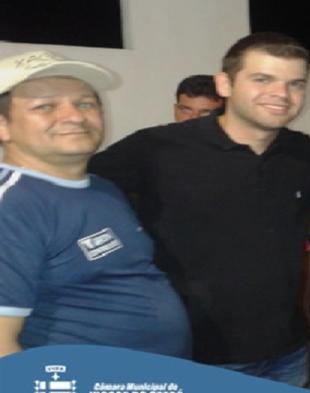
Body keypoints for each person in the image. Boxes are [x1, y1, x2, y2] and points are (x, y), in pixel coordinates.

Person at [89, 32, 310, 386]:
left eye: (295, 84)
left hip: (286, 351)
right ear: (225, 84)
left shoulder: (301, 150)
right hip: (193, 354)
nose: (281, 94)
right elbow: (68, 189)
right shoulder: (157, 147)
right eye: (262, 79)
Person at [0, 50, 191, 358]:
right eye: (45, 106)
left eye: (85, 103)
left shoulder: (102, 188)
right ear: (3, 126)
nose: (75, 116)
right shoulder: (12, 206)